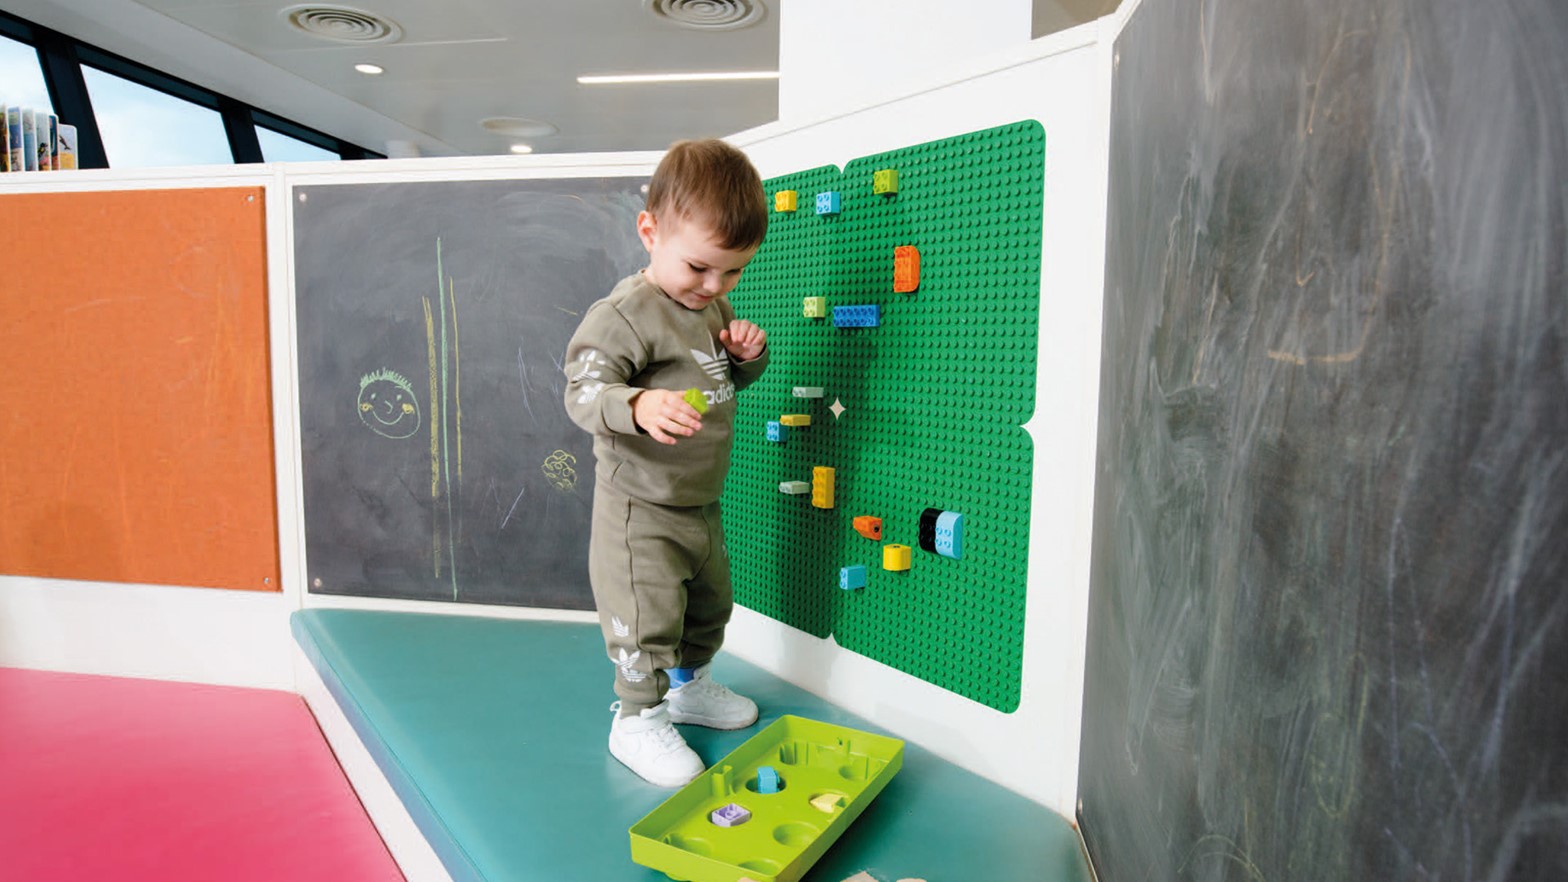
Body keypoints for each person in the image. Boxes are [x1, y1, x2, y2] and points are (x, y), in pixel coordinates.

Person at [563, 139, 769, 788]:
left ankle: (690, 688)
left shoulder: (711, 309)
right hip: (639, 508)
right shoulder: (624, 315)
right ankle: (637, 718)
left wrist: (745, 358)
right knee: (645, 619)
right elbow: (582, 392)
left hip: (699, 502)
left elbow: (723, 383)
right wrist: (640, 404)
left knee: (710, 607)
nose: (714, 287)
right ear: (650, 231)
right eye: (701, 268)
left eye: (732, 274)